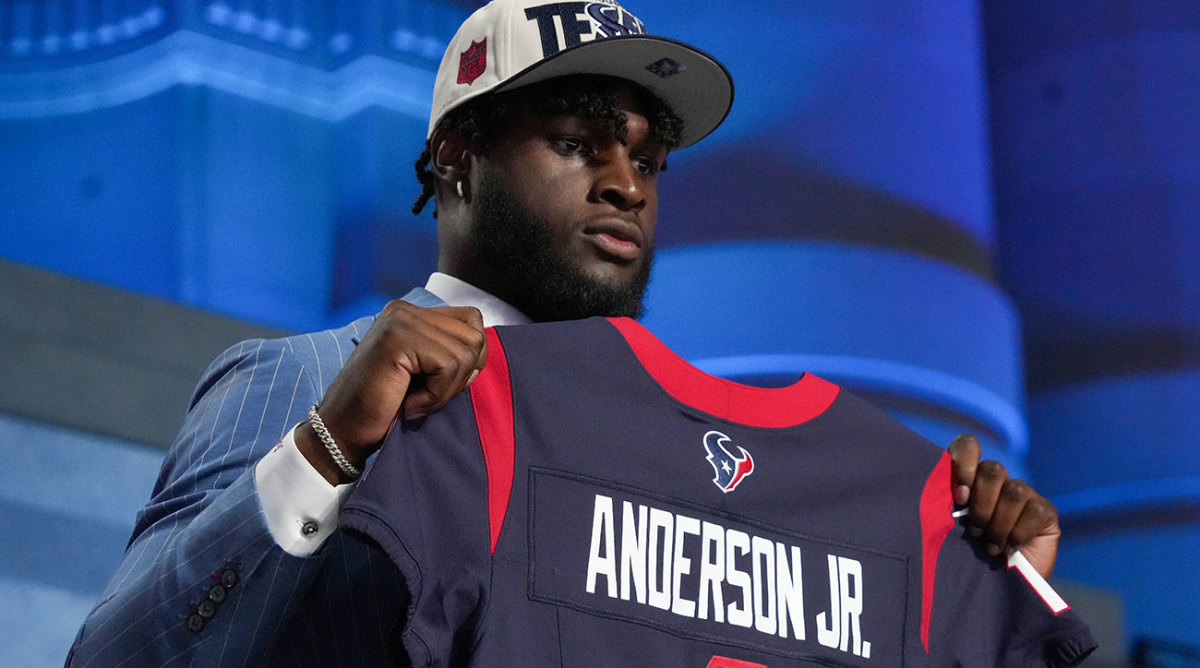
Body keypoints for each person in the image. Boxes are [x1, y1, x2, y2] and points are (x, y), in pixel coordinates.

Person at [67, 0, 1060, 665]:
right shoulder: (304, 378)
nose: (626, 182)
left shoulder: (711, 460)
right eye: (578, 143)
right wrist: (328, 448)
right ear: (456, 155)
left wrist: (980, 571)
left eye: (648, 159)